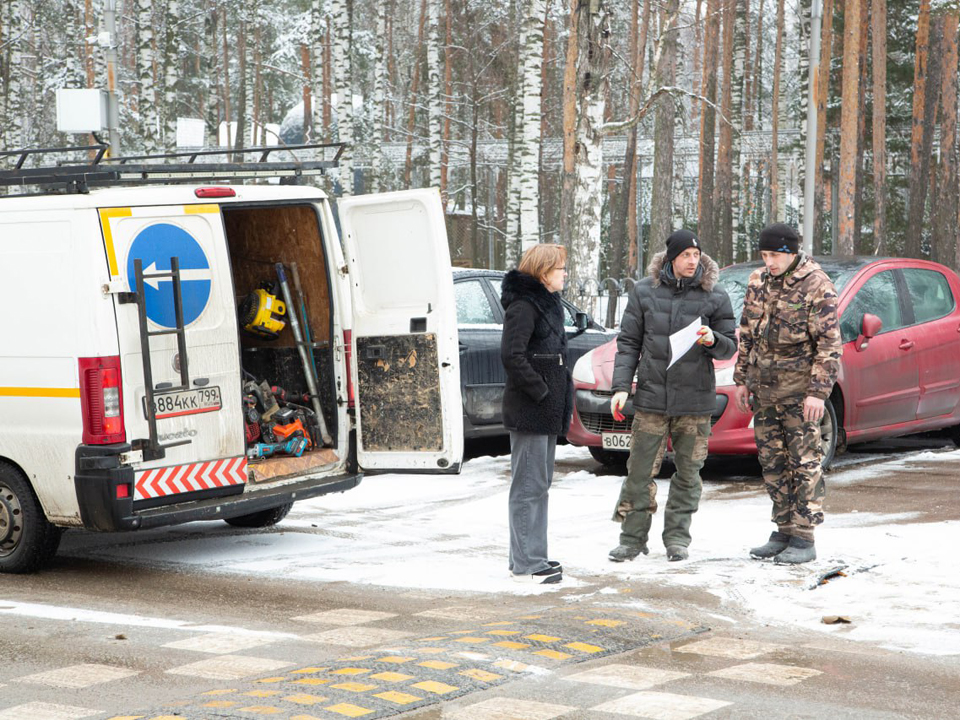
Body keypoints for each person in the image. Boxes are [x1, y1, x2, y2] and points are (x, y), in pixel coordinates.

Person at [608, 229, 737, 563]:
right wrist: (621, 387)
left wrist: (713, 341)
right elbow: (628, 343)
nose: (692, 261)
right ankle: (632, 539)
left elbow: (730, 345)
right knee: (638, 473)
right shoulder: (643, 292)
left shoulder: (715, 295)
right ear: (671, 258)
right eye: (685, 256)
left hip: (694, 403)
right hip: (651, 400)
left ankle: (677, 539)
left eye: (696, 255)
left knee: (688, 474)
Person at [733, 222, 842, 564]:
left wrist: (818, 393)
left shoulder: (816, 284)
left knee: (804, 462)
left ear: (791, 252)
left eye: (775, 255)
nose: (769, 262)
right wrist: (741, 379)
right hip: (766, 390)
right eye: (764, 255)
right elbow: (747, 332)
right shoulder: (758, 282)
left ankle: (804, 535)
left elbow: (829, 343)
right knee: (772, 461)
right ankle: (783, 528)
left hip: (800, 392)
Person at [500, 244, 573, 584]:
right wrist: (541, 390)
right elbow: (512, 356)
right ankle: (528, 564)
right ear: (544, 272)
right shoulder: (524, 306)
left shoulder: (548, 303)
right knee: (528, 486)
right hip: (531, 409)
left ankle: (531, 557)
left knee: (539, 485)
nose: (565, 274)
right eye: (560, 268)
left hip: (545, 409)